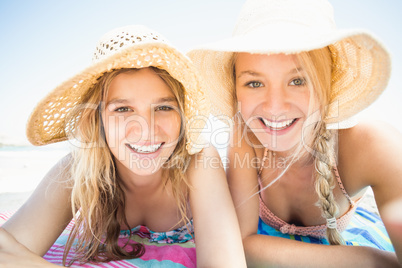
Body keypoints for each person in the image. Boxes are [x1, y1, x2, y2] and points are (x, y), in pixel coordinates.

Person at [0, 25, 246, 267]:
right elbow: (8, 248)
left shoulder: (198, 161)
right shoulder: (79, 170)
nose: (145, 129)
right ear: (98, 119)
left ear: (181, 116)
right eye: (123, 109)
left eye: (163, 108)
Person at [188, 0, 402, 266]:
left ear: (328, 84)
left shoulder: (374, 145)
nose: (275, 107)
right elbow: (243, 244)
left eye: (298, 80)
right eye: (254, 83)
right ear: (235, 89)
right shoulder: (246, 138)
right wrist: (369, 260)